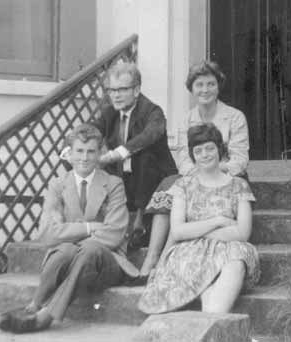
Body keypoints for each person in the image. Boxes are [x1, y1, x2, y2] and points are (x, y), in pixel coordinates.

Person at [0, 123, 139, 333]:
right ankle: (34, 305)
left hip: (107, 262)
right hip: (70, 259)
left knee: (88, 248)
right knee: (66, 250)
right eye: (79, 151)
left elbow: (114, 233)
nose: (84, 157)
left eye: (91, 151)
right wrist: (89, 227)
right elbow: (47, 233)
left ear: (100, 154)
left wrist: (71, 233)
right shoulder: (57, 185)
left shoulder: (113, 183)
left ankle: (44, 315)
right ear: (69, 154)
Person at [138, 60, 250, 278]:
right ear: (191, 89)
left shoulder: (235, 117)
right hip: (195, 175)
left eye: (210, 84)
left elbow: (240, 158)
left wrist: (214, 170)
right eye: (199, 85)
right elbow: (182, 158)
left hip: (227, 176)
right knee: (168, 185)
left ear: (218, 86)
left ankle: (164, 261)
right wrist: (198, 174)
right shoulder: (186, 119)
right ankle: (152, 256)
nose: (205, 90)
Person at [138, 123, 259, 314]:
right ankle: (210, 312)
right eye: (199, 150)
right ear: (193, 155)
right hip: (189, 251)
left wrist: (194, 231)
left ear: (220, 150)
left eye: (210, 148)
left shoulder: (239, 185)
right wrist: (218, 220)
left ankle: (211, 316)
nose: (205, 154)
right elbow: (177, 231)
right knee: (195, 266)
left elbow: (242, 232)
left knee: (236, 261)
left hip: (229, 247)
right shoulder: (182, 185)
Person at [94, 62, 178, 245]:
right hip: (127, 182)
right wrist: (70, 147)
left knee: (143, 155)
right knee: (86, 160)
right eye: (112, 90)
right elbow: (91, 130)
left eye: (122, 89)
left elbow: (150, 135)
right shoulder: (110, 112)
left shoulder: (152, 111)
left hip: (156, 184)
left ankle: (139, 224)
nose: (116, 95)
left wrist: (115, 154)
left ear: (136, 90)